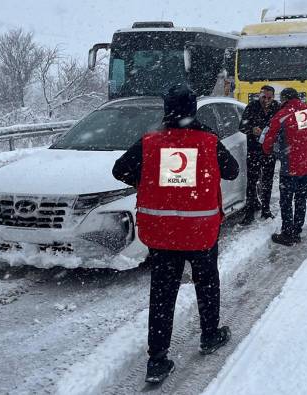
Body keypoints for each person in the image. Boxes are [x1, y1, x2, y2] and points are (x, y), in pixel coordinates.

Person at [112, 85, 239, 384]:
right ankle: (209, 335)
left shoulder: (150, 142)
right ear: (193, 109)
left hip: (162, 233)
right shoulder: (208, 141)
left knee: (162, 294)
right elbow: (232, 171)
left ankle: (157, 360)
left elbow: (120, 170)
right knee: (206, 283)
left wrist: (147, 180)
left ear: (165, 109)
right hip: (200, 232)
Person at [261, 87, 307, 246]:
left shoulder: (281, 115)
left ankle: (287, 233)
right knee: (300, 199)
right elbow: (303, 134)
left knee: (286, 201)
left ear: (284, 99)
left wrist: (267, 148)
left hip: (291, 167)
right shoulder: (305, 111)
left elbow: (269, 141)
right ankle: (297, 231)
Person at [238, 85, 280, 225]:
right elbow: (241, 127)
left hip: (269, 150)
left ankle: (266, 210)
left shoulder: (277, 107)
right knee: (252, 182)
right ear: (259, 95)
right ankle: (249, 213)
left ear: (273, 97)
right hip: (254, 150)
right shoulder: (252, 107)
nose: (266, 100)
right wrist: (251, 129)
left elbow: (282, 127)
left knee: (267, 181)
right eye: (264, 97)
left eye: (269, 98)